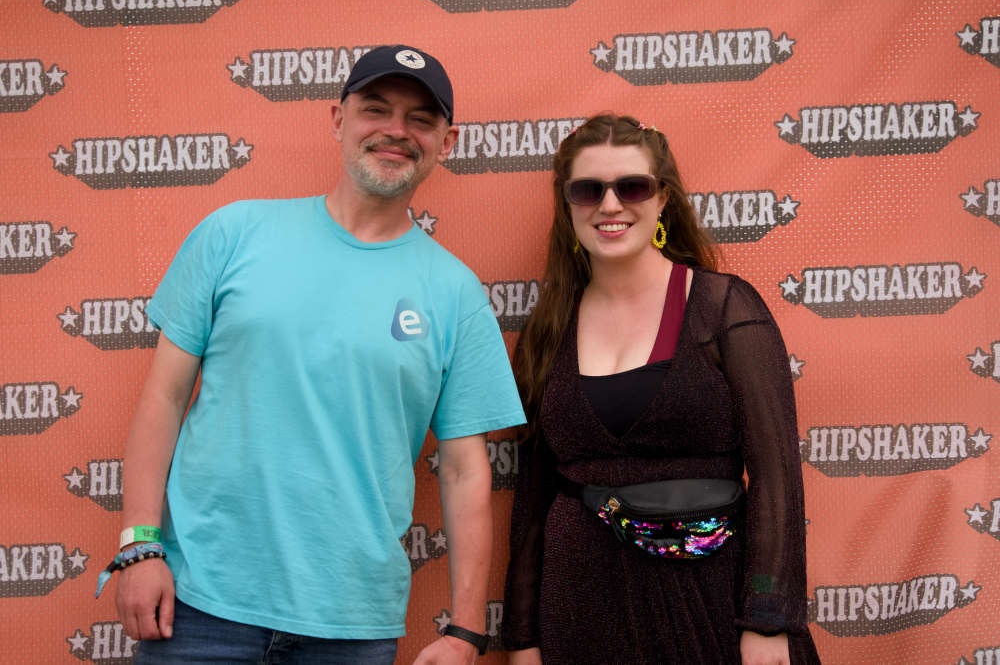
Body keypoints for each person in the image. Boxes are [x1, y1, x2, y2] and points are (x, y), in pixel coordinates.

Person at [106, 44, 526, 664]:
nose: (396, 130)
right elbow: (164, 399)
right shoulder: (233, 234)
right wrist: (139, 545)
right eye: (375, 109)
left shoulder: (456, 293)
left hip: (351, 627)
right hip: (200, 608)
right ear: (337, 119)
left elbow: (464, 469)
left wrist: (465, 631)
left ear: (447, 142)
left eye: (420, 119)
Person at [501, 114, 820, 664]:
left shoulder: (724, 308)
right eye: (587, 190)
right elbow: (533, 501)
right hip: (579, 613)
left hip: (708, 605)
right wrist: (524, 638)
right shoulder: (548, 330)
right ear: (567, 204)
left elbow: (776, 477)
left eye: (632, 186)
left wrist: (768, 622)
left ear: (662, 198)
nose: (610, 205)